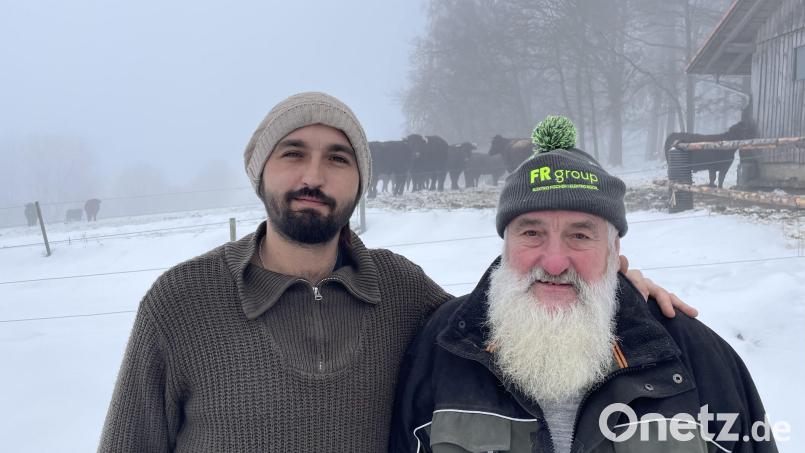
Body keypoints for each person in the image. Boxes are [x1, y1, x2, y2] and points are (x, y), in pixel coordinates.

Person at [98, 95, 693, 452]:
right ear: (260, 171)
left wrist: (615, 287)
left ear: (360, 182)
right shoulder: (180, 304)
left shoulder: (402, 291)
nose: (314, 175)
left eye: (338, 158)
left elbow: (514, 313)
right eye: (293, 153)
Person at [390, 117, 776, 453]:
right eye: (531, 233)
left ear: (614, 249)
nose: (555, 262)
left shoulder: (695, 357)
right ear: (505, 244)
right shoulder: (442, 348)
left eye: (580, 236)